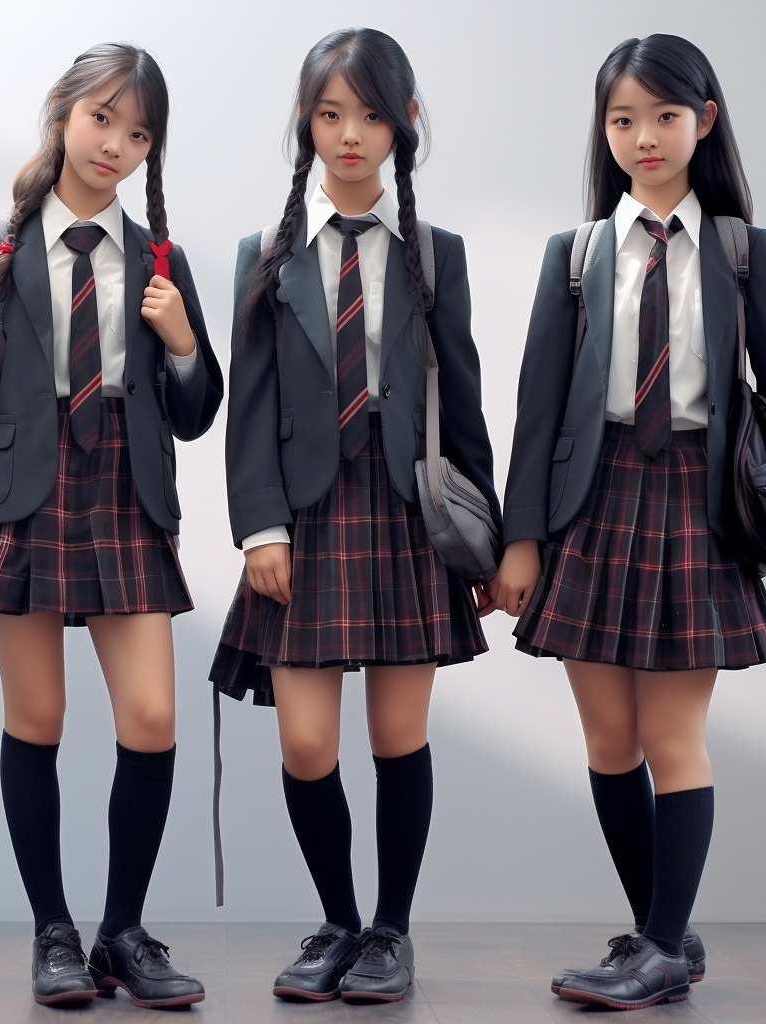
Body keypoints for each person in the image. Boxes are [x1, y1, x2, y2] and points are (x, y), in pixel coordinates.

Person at [490, 33, 766, 1011]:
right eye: (622, 119)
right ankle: (661, 940)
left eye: (664, 117)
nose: (643, 137)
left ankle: (657, 944)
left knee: (672, 735)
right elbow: (538, 407)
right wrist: (520, 537)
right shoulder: (578, 252)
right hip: (590, 504)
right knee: (608, 740)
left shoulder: (736, 251)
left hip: (696, 503)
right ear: (604, 131)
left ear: (704, 122)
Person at [210, 26, 499, 1003]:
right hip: (301, 520)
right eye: (331, 114)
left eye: (370, 115)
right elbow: (247, 412)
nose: (349, 134)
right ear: (306, 122)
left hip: (407, 520)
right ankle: (336, 919)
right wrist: (259, 529)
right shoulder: (266, 255)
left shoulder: (436, 254)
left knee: (397, 740)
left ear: (403, 125)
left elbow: (463, 404)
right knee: (303, 744)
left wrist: (489, 539)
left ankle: (390, 931)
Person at [0, 41, 222, 1008]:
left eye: (138, 133)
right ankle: (52, 933)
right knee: (40, 719)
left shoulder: (160, 258)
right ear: (62, 113)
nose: (118, 144)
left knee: (149, 721)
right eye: (103, 118)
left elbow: (196, 410)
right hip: (24, 498)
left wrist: (183, 342)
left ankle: (122, 933)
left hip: (127, 497)